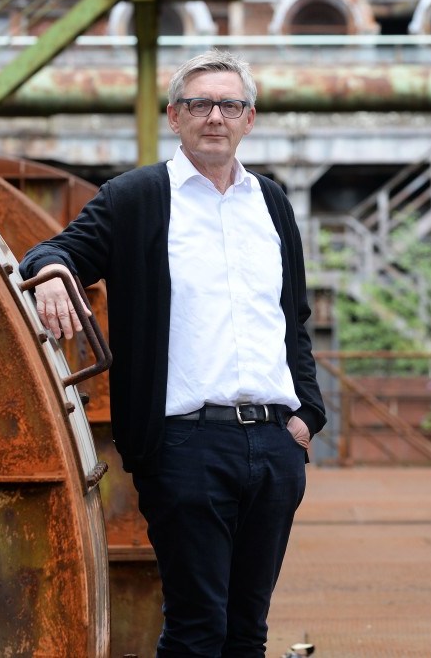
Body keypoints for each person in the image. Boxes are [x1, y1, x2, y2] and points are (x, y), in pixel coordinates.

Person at [20, 48, 327, 658]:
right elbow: (57, 251)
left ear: (249, 118)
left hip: (273, 446)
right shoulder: (136, 198)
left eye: (230, 104)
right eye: (200, 104)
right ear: (175, 116)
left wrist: (307, 414)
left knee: (247, 633)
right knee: (196, 629)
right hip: (186, 445)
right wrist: (53, 272)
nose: (216, 116)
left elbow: (292, 318)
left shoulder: (273, 204)